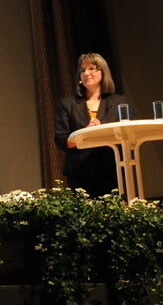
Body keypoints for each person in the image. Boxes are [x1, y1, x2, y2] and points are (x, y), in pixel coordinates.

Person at [53, 53, 128, 197]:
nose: (86, 73)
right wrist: (84, 133)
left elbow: (128, 133)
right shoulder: (67, 104)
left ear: (103, 72)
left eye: (91, 68)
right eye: (82, 70)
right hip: (80, 172)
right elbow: (60, 140)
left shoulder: (119, 102)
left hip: (112, 169)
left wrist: (102, 131)